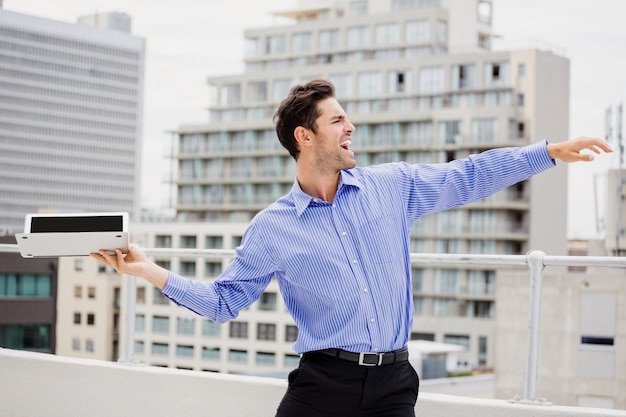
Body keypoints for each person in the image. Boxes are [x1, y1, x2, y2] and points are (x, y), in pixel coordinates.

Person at [92, 79, 612, 416]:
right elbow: (225, 303)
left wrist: (546, 152)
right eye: (338, 120)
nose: (351, 127)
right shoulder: (272, 227)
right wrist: (150, 272)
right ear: (305, 137)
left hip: (393, 385)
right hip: (323, 386)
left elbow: (467, 176)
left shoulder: (391, 186)